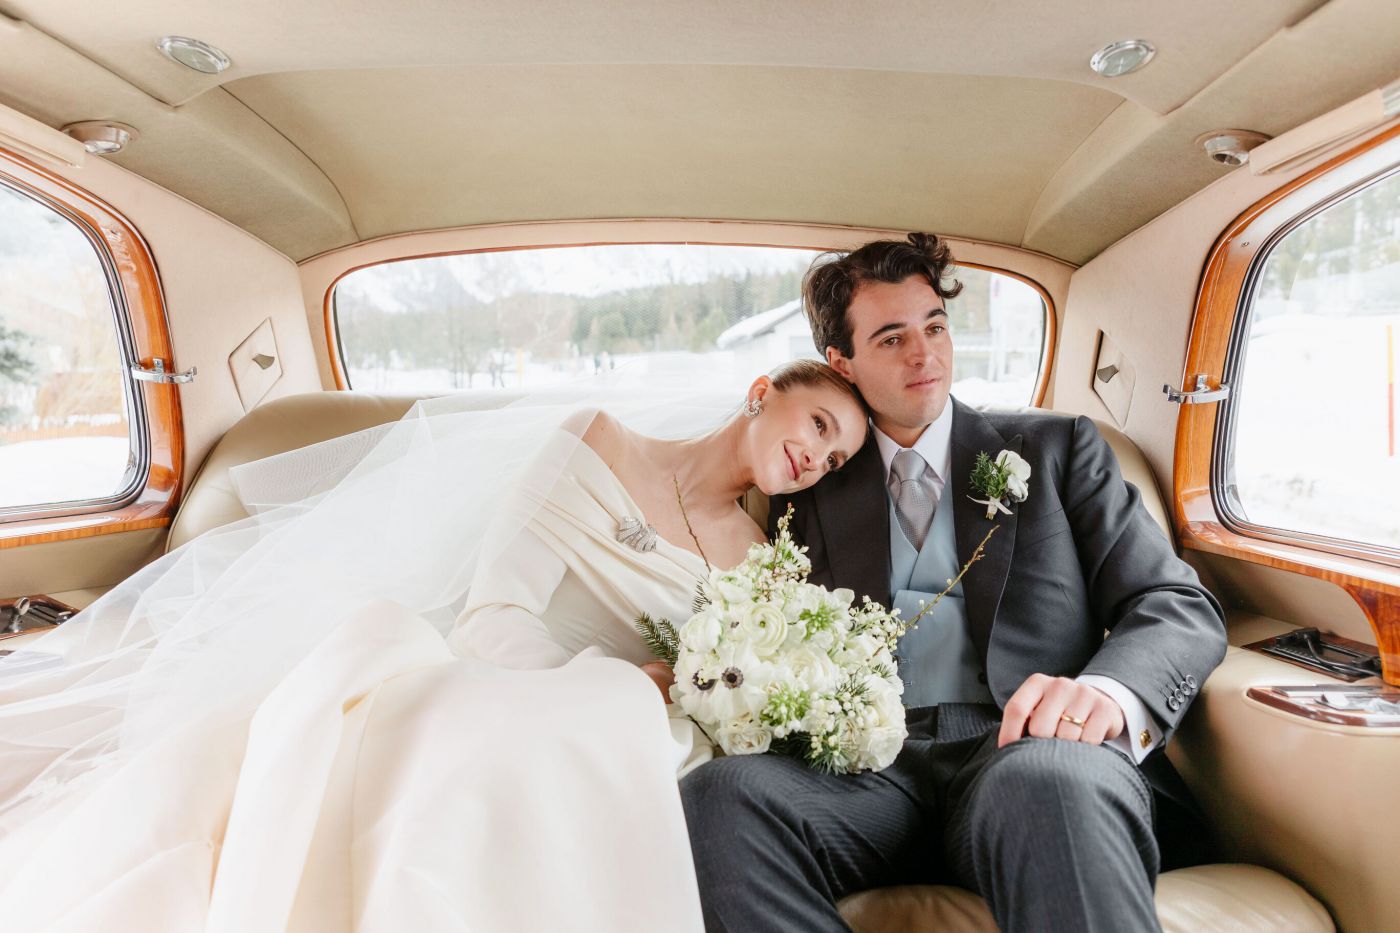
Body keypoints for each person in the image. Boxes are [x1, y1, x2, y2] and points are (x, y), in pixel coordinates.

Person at [0, 359, 867, 932]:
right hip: (510, 672)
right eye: (821, 424)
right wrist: (595, 691)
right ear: (763, 390)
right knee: (444, 730)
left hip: (644, 729)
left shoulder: (763, 564)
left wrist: (677, 697)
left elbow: (729, 697)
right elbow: (494, 612)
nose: (818, 457)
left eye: (835, 460)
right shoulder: (600, 441)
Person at [681, 234, 1229, 932]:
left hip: (1027, 751)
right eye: (892, 338)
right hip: (866, 777)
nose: (925, 354)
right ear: (842, 362)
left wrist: (1105, 692)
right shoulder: (808, 480)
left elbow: (1177, 602)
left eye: (935, 327)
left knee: (1050, 782)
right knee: (719, 796)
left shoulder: (1059, 449)